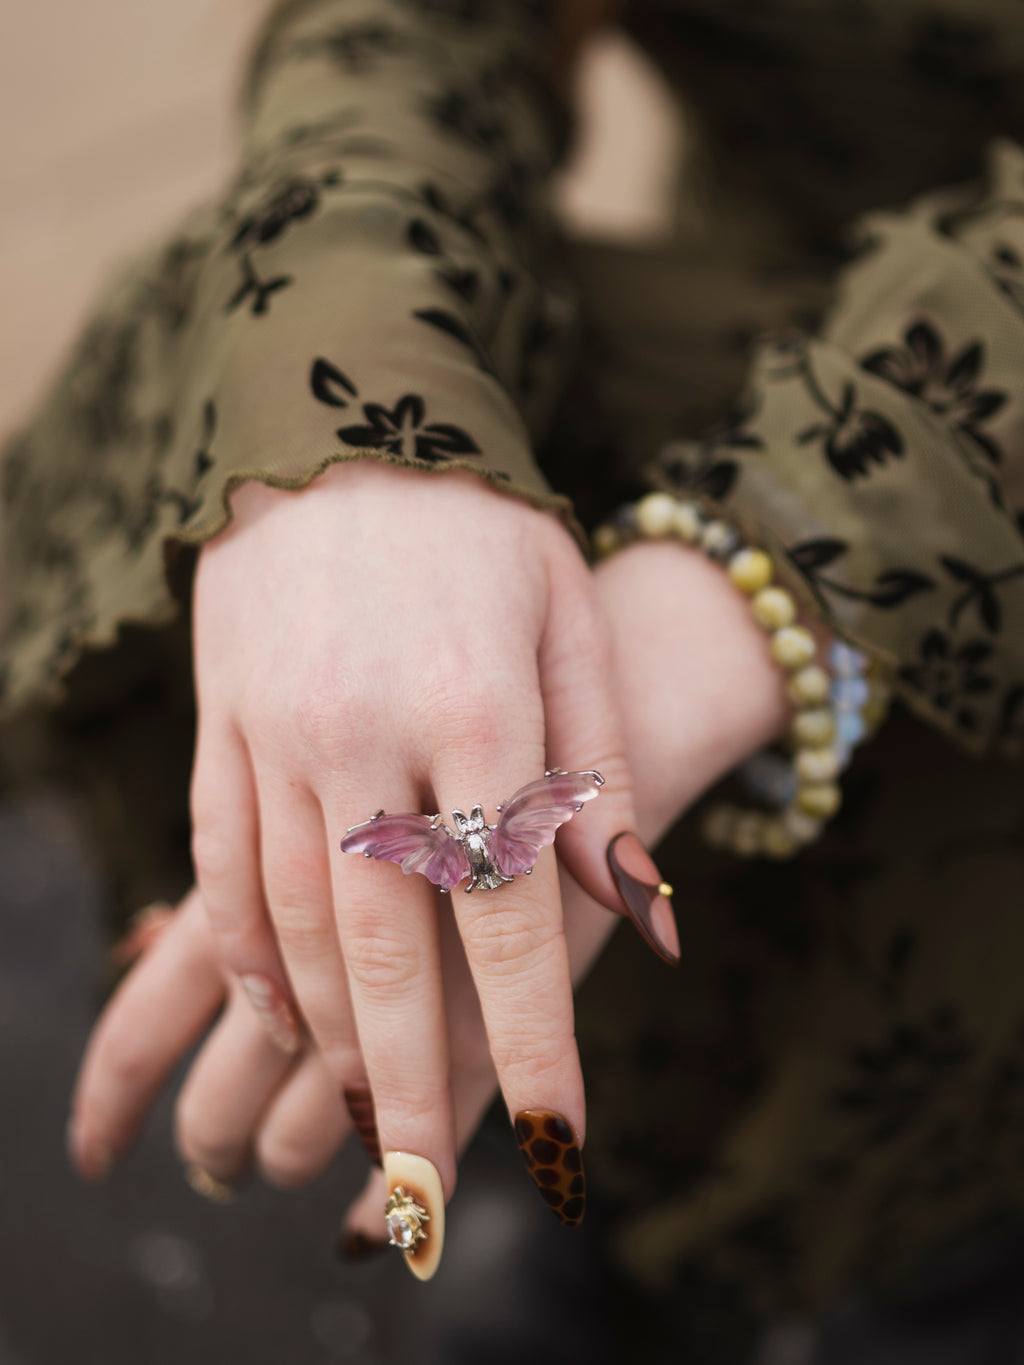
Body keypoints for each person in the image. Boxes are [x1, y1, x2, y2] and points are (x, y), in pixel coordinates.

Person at [5, 0, 1024, 1325]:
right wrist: (360, 425)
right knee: (262, 378)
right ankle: (552, 1150)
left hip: (938, 414)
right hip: (750, 303)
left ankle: (931, 1261)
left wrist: (749, 578)